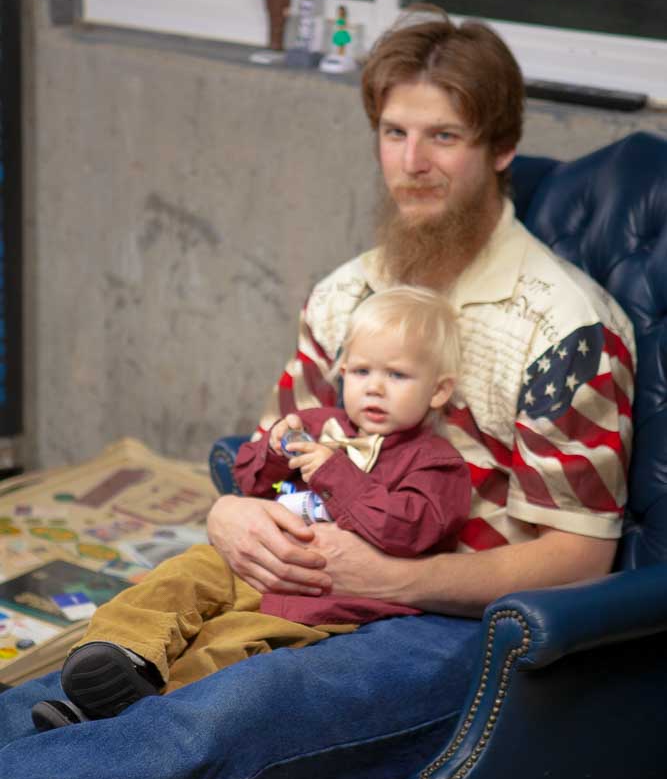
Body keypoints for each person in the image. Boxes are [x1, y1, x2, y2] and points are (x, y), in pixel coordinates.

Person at [0, 7, 635, 779]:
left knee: (207, 719)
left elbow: (579, 559)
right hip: (310, 569)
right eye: (394, 133)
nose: (412, 164)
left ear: (499, 148)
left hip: (448, 624)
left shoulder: (565, 328)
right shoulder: (348, 294)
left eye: (444, 136)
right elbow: (280, 444)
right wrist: (227, 512)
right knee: (99, 662)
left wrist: (396, 578)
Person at [31, 289, 469, 728]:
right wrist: (275, 451)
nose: (374, 387)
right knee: (173, 581)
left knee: (223, 646)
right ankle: (118, 654)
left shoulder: (437, 464)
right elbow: (248, 481)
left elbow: (409, 531)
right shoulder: (319, 426)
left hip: (322, 599)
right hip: (251, 561)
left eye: (397, 375)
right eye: (361, 371)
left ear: (438, 390)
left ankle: (123, 720)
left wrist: (336, 473)